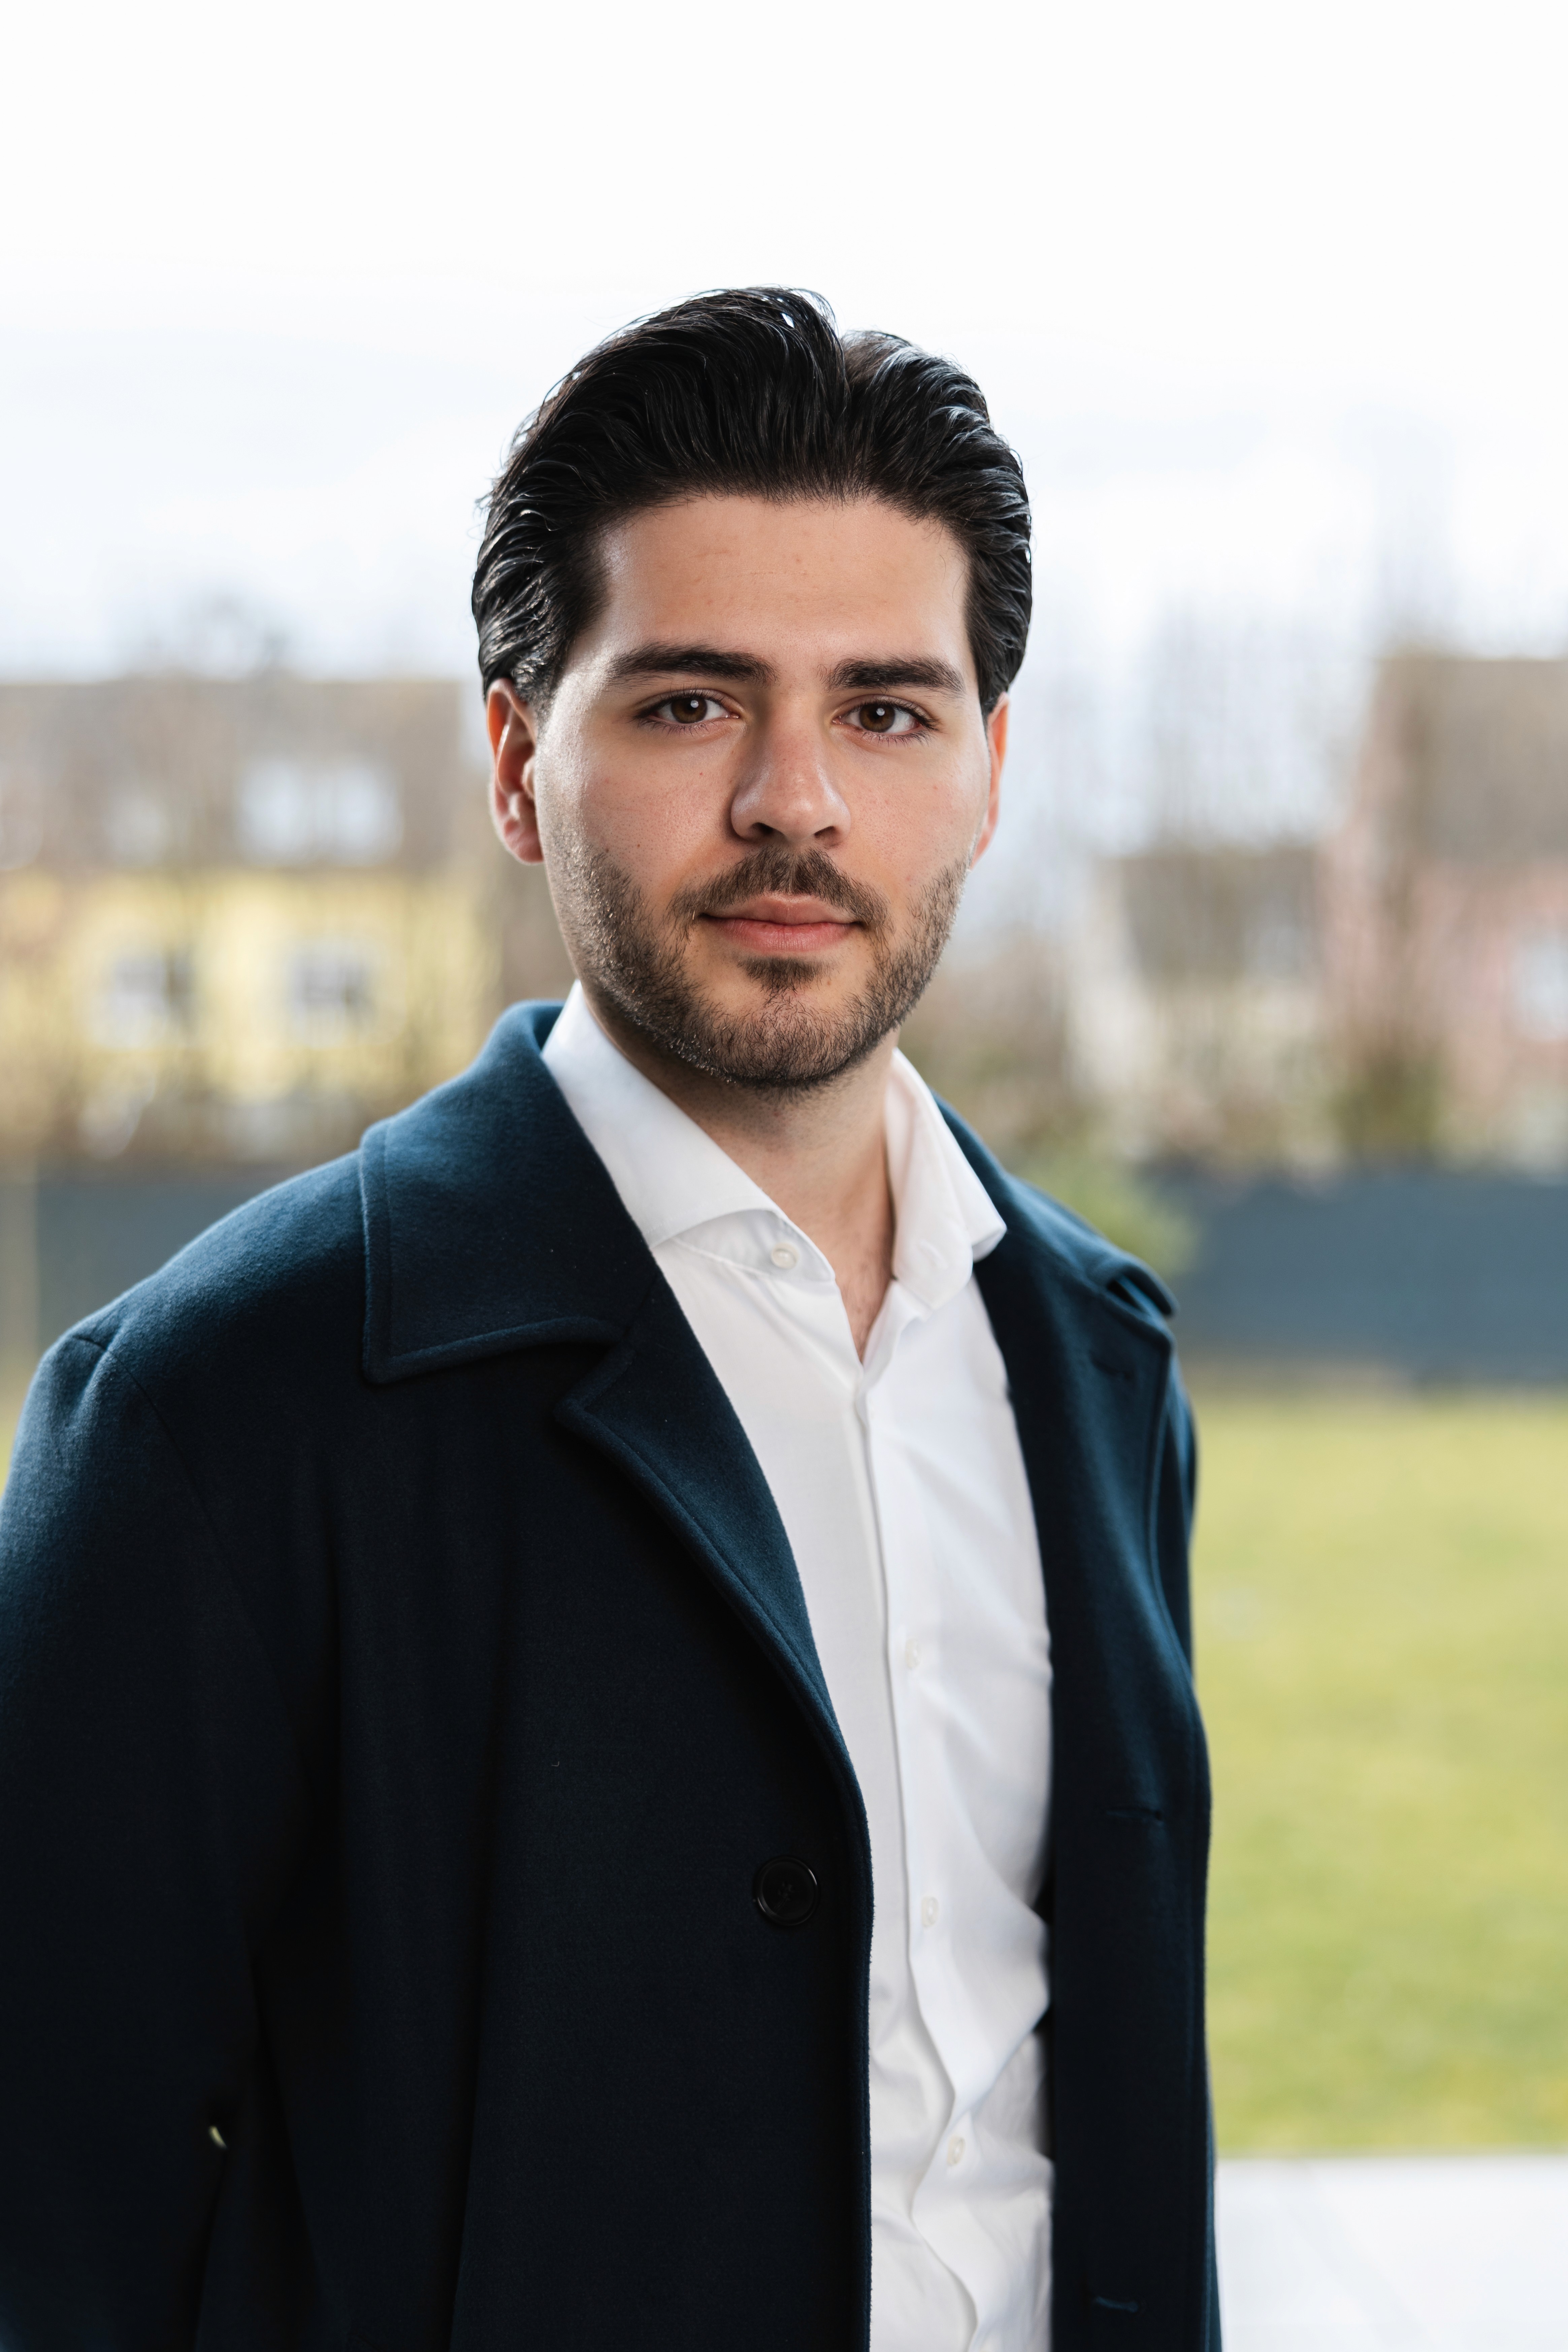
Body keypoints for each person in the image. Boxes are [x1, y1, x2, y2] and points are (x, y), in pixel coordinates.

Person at [0, 289, 1217, 2351]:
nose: (795, 802)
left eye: (888, 711)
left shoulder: (1097, 1364)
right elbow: (51, 2222)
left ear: (992, 772)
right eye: (687, 704)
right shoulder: (207, 1418)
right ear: (513, 756)